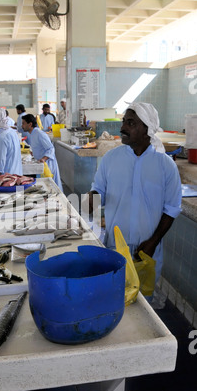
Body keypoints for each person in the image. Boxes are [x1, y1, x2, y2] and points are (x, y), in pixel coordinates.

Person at [86, 102, 182, 286]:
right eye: (124, 121)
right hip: (114, 246)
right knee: (112, 295)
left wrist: (153, 242)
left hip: (146, 249)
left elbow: (171, 209)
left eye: (131, 123)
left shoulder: (165, 166)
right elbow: (98, 190)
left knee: (144, 303)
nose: (122, 127)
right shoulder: (111, 159)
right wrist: (91, 200)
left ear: (148, 129)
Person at [22, 114, 63, 191]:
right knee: (45, 187)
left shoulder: (39, 133)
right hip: (41, 164)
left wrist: (44, 158)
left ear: (30, 124)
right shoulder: (33, 133)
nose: (22, 126)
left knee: (52, 188)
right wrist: (34, 152)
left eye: (23, 123)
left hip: (48, 164)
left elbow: (50, 148)